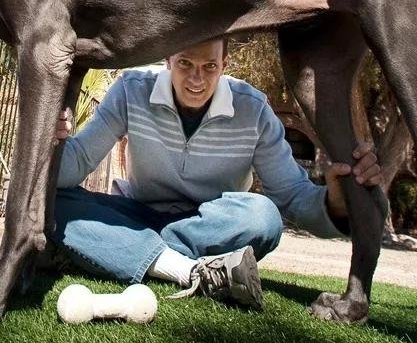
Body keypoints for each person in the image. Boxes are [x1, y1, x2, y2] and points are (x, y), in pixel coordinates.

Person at [50, 37, 382, 310]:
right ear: (168, 59)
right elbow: (78, 160)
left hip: (210, 226)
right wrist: (46, 143)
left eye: (209, 66)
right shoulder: (131, 90)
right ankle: (188, 270)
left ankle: (115, 250)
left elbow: (293, 196)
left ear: (224, 65)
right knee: (50, 198)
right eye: (185, 64)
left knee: (263, 216)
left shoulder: (254, 110)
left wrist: (335, 203)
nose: (197, 79)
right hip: (136, 214)